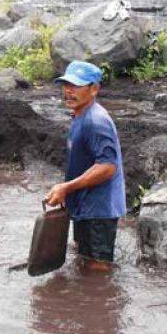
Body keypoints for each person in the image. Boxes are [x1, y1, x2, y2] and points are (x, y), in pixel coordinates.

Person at [45, 61, 126, 272]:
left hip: (99, 210)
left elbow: (108, 167)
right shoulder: (80, 115)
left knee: (98, 271)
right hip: (84, 203)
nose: (68, 91)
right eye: (66, 85)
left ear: (94, 89)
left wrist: (66, 188)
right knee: (83, 257)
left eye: (76, 86)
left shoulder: (96, 121)